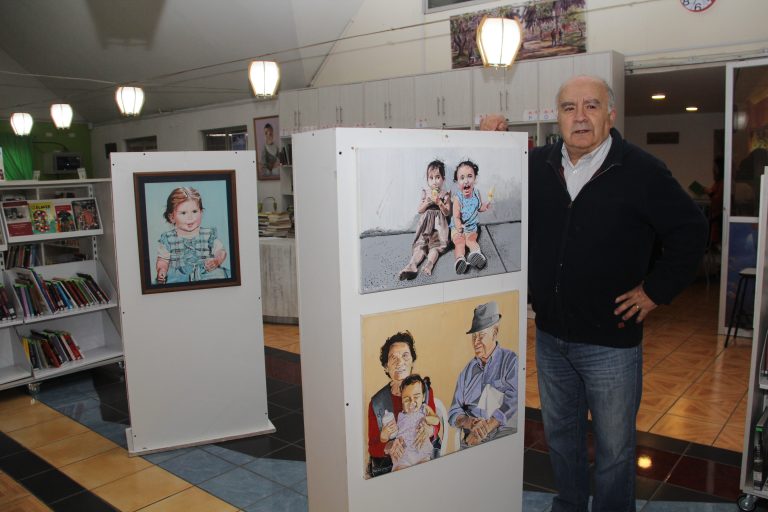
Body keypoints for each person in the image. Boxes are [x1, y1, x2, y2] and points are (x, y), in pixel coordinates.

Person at [528, 75, 707, 512]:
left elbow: (691, 230)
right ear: (558, 117)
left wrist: (654, 291)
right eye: (570, 107)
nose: (580, 116)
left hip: (611, 343)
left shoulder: (641, 170)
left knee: (614, 451)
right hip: (551, 339)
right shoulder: (536, 165)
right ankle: (569, 505)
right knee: (562, 440)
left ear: (611, 114)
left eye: (592, 106)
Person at [367, 331, 440, 477]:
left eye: (405, 356)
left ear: (412, 361)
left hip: (422, 458)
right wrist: (389, 446)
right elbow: (373, 446)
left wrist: (429, 430)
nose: (400, 362)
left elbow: (436, 424)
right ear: (386, 367)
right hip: (394, 468)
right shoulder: (377, 403)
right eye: (393, 358)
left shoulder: (425, 390)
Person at [448, 301, 518, 448]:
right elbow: (454, 412)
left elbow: (513, 400)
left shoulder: (510, 361)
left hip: (502, 436)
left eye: (481, 336)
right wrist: (470, 422)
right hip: (472, 437)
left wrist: (487, 427)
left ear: (495, 332)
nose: (476, 342)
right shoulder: (467, 372)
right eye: (474, 337)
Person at [156, 187, 228, 284]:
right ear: (172, 217)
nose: (190, 217)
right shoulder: (168, 239)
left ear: (201, 212)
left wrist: (216, 260)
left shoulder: (208, 235)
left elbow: (221, 251)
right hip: (180, 278)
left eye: (194, 211)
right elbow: (163, 260)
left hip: (207, 275)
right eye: (183, 213)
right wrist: (162, 270)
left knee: (221, 276)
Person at [398, 160, 451, 280]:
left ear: (443, 179)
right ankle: (411, 266)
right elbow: (420, 210)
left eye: (437, 177)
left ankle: (429, 264)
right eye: (431, 178)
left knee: (435, 247)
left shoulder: (445, 193)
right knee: (420, 246)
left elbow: (447, 212)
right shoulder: (426, 192)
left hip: (439, 226)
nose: (434, 181)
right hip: (425, 224)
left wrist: (440, 203)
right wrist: (427, 202)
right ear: (427, 180)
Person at [390, 374, 440, 471]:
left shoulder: (424, 409)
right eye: (407, 399)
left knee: (425, 470)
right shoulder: (400, 415)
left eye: (416, 397)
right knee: (399, 471)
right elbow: (395, 433)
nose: (412, 402)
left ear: (423, 397)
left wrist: (426, 419)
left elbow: (436, 420)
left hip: (421, 453)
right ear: (402, 401)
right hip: (404, 455)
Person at [450, 160, 491, 274]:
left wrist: (484, 207)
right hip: (457, 227)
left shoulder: (477, 193)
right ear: (458, 183)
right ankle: (460, 260)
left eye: (469, 176)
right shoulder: (458, 199)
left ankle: (476, 254)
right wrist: (459, 229)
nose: (466, 180)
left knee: (471, 240)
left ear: (475, 179)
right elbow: (456, 216)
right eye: (462, 178)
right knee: (460, 242)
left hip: (472, 227)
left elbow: (478, 208)